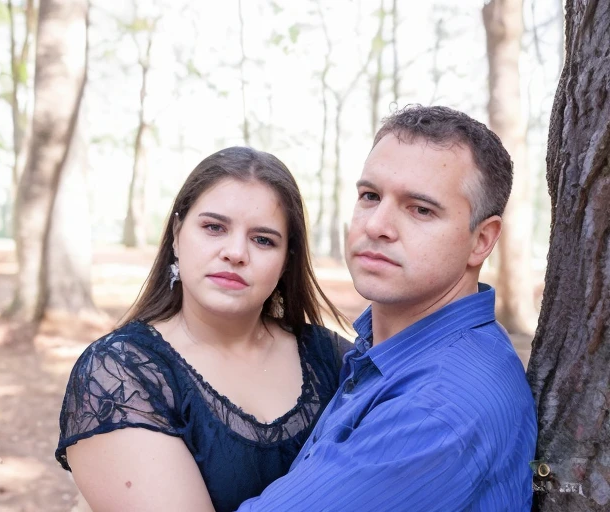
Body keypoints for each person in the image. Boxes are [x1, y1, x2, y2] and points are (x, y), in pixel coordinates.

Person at [237, 105, 538, 511]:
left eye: (420, 209)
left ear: (482, 240)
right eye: (370, 196)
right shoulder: (395, 350)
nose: (376, 224)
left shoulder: (439, 411)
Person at [55, 147, 352, 512]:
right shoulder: (119, 375)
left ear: (286, 261)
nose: (235, 252)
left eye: (263, 239)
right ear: (177, 235)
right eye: (214, 227)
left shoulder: (335, 360)